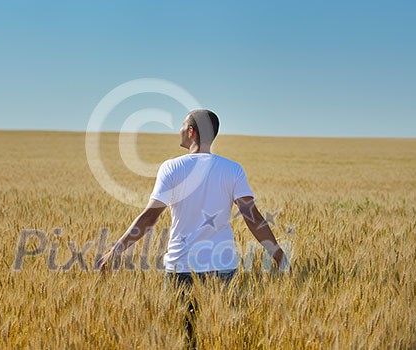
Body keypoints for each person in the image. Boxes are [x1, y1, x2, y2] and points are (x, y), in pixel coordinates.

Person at [96, 109, 290, 347]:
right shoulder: (232, 169)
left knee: (185, 339)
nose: (179, 130)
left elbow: (149, 217)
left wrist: (115, 250)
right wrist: (278, 254)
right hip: (223, 267)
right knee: (220, 337)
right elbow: (252, 217)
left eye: (182, 126)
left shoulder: (171, 168)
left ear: (191, 132)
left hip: (181, 268)